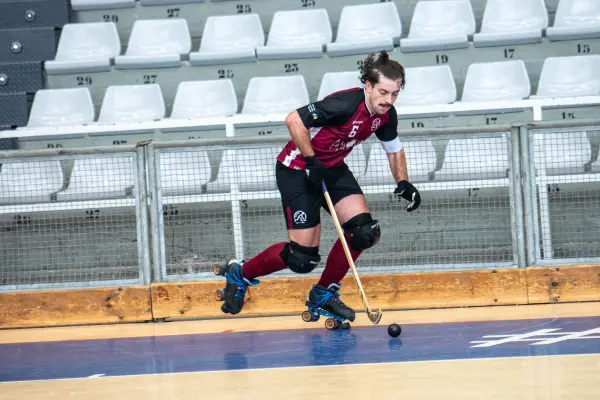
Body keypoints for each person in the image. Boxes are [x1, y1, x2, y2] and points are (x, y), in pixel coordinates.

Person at [216, 50, 421, 322]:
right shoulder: (344, 104)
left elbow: (394, 150)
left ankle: (324, 294)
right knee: (302, 259)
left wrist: (403, 181)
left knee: (364, 232)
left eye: (394, 94)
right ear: (368, 86)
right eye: (383, 92)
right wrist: (311, 160)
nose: (388, 100)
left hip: (332, 169)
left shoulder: (385, 115)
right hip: (298, 170)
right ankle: (239, 273)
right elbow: (294, 119)